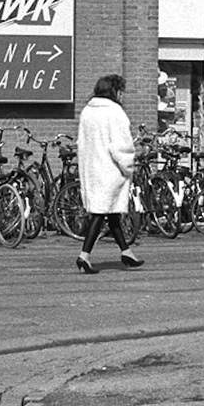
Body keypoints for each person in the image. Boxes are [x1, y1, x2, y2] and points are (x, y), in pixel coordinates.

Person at [76, 72, 142, 274]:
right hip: (110, 170)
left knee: (111, 213)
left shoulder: (87, 111)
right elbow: (121, 146)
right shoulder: (115, 113)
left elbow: (82, 143)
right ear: (115, 91)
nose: (123, 95)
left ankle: (126, 252)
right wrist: (129, 166)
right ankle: (84, 256)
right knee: (100, 213)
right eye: (121, 91)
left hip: (92, 168)